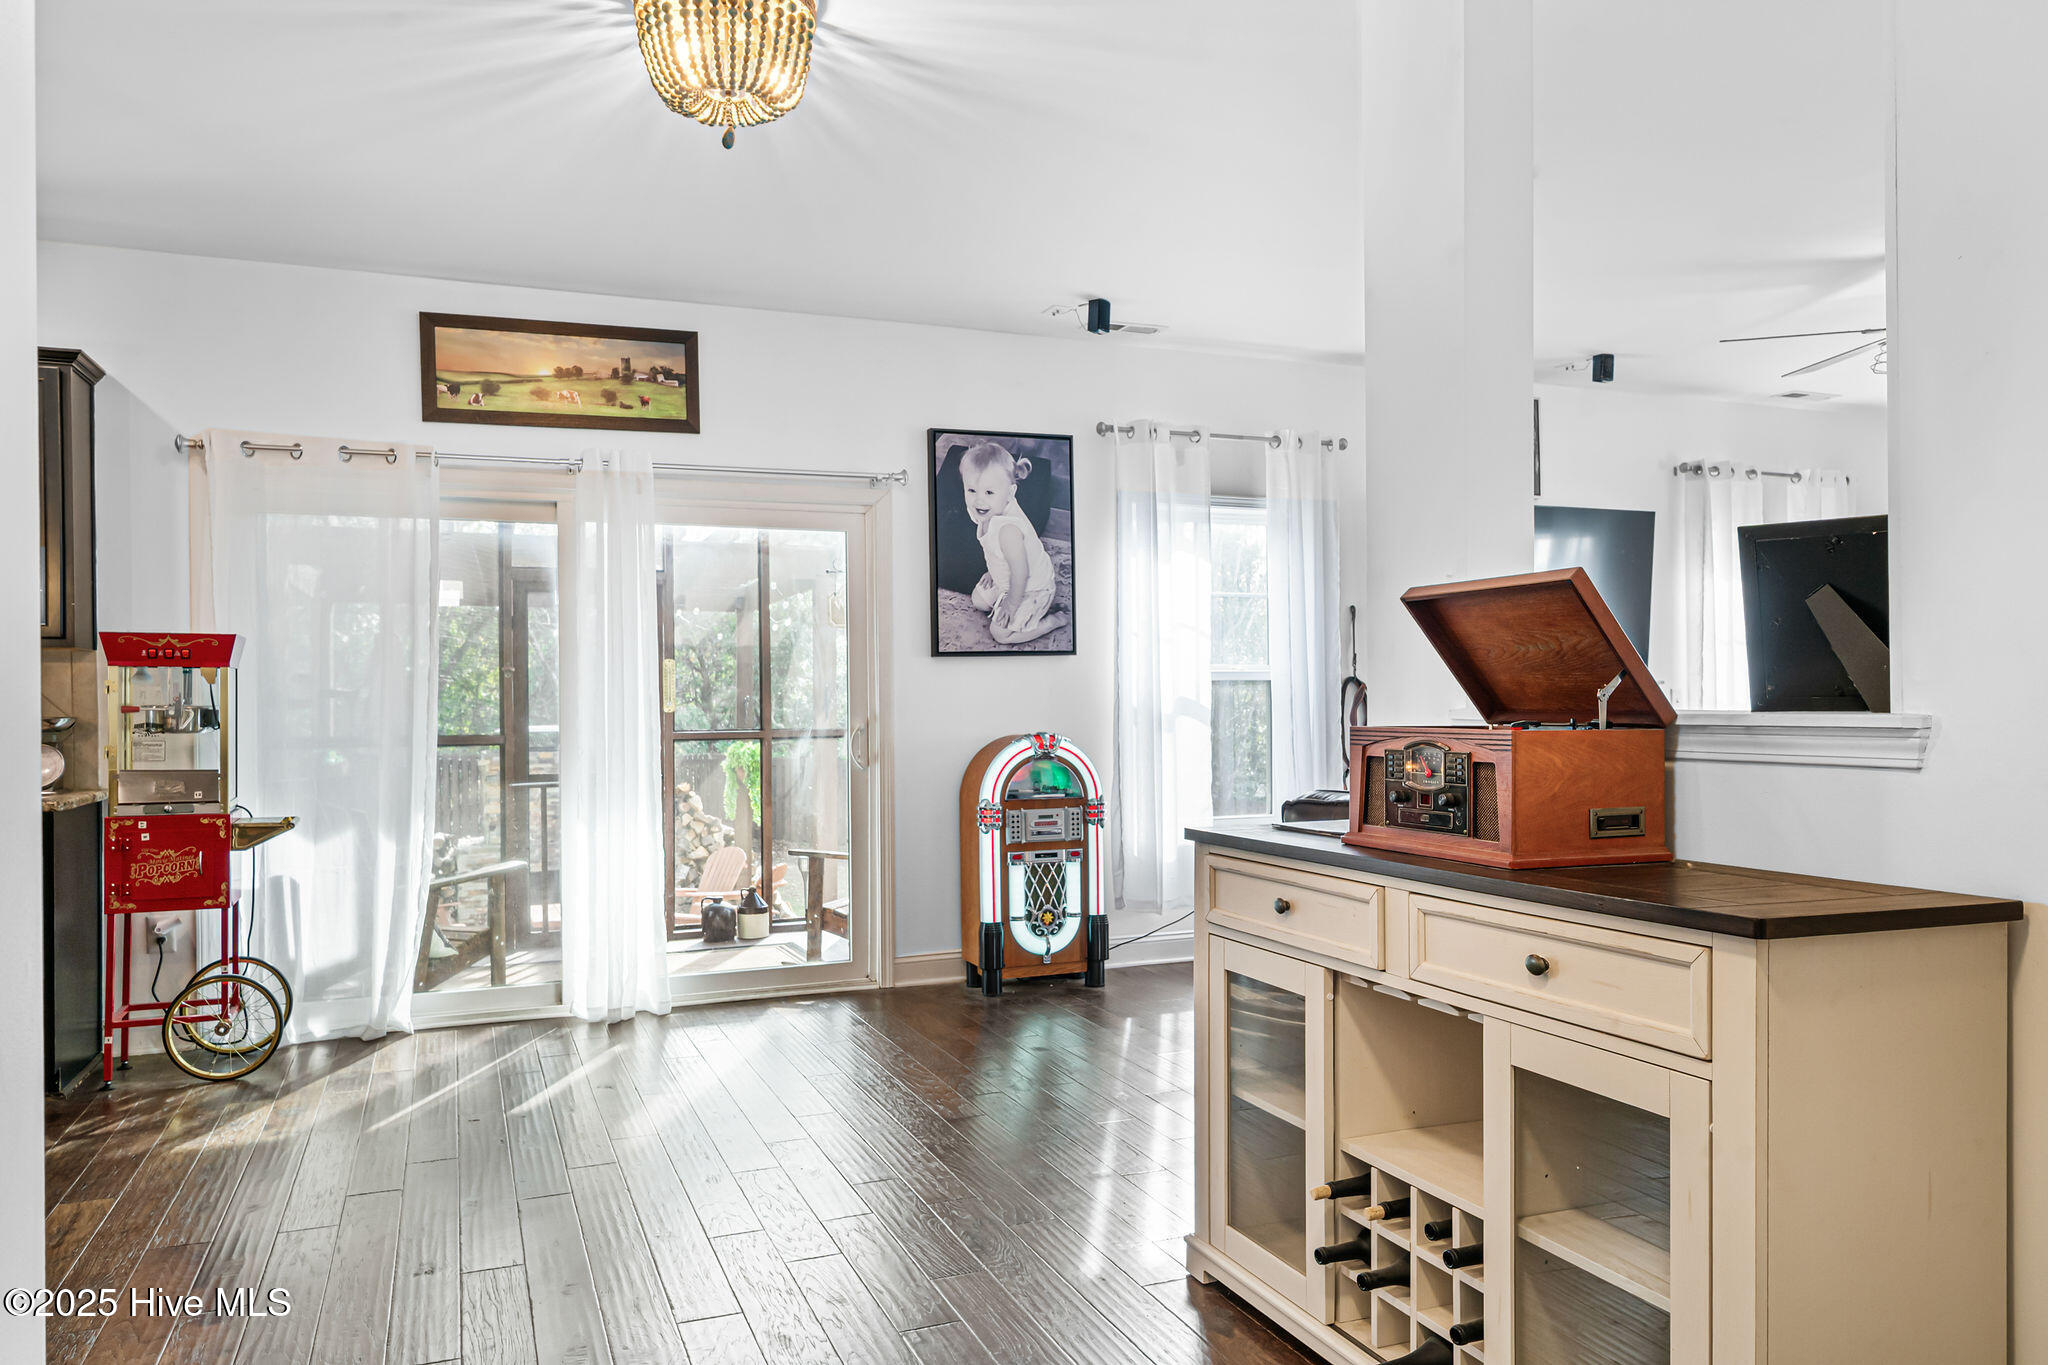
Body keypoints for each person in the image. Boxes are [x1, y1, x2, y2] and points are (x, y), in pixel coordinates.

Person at [959, 442, 1066, 645]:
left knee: (999, 633)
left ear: (1010, 493)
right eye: (972, 490)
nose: (979, 500)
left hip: (1031, 588)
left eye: (989, 492)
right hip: (1008, 580)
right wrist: (993, 571)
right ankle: (1008, 603)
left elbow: (1021, 573)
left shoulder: (1008, 530)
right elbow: (997, 552)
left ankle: (1051, 622)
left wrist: (1011, 604)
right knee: (978, 600)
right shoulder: (987, 510)